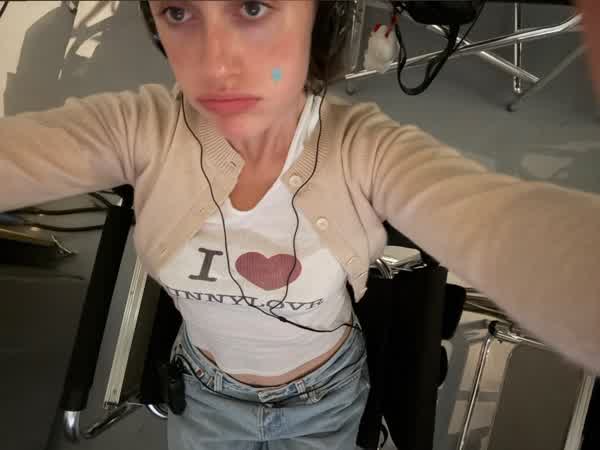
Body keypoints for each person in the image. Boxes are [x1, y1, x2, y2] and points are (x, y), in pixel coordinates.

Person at [1, 1, 599, 449]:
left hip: (326, 399)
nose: (215, 62)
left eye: (253, 8)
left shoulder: (363, 148)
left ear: (318, 15)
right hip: (202, 395)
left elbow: (502, 228)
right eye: (179, 12)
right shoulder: (139, 128)